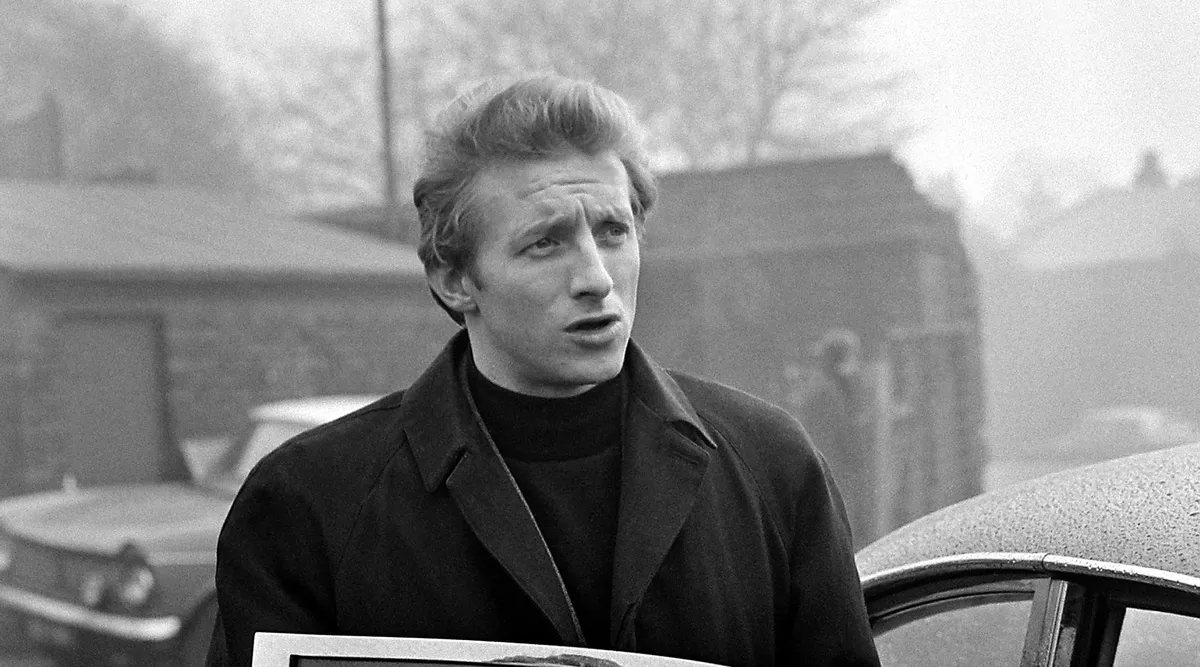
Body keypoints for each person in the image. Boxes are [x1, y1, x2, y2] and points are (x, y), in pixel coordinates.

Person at [207, 74, 880, 667]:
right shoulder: (305, 505)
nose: (594, 277)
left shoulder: (771, 467)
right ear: (454, 278)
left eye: (612, 231)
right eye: (545, 242)